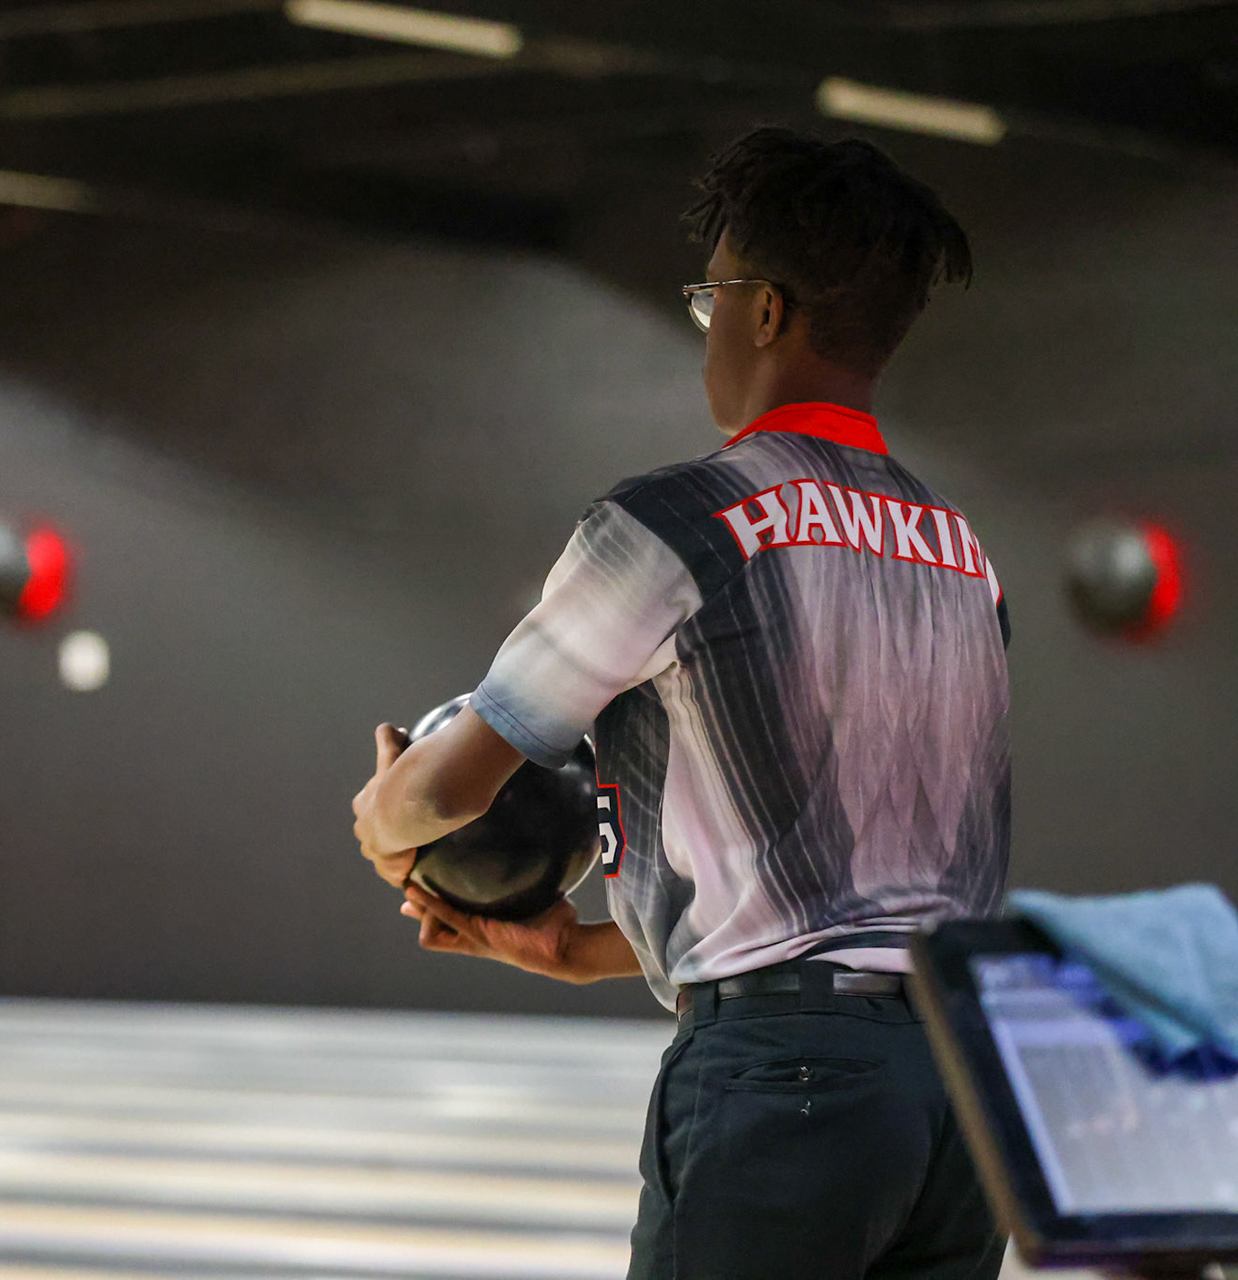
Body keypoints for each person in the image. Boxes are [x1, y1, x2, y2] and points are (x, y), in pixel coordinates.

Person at [351, 127, 1011, 1280]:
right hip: (967, 1090)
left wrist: (381, 816)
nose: (705, 332)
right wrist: (587, 948)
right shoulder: (962, 554)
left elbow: (455, 781)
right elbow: (854, 895)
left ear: (764, 311)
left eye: (710, 300)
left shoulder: (675, 522)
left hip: (783, 1084)